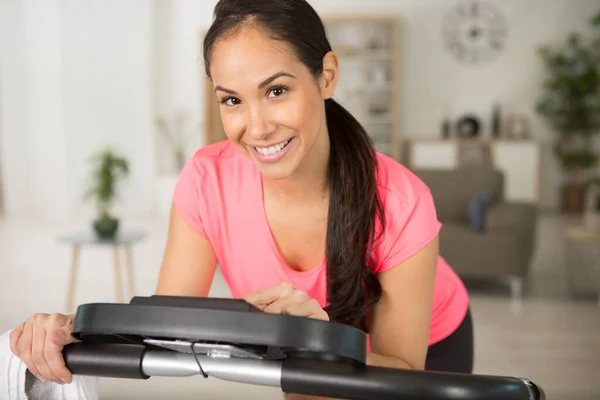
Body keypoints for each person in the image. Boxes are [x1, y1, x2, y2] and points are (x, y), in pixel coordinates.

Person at [6, 0, 473, 398]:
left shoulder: (402, 202)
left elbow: (403, 371)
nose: (258, 126)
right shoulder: (208, 181)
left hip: (424, 348)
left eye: (276, 90)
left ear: (326, 76)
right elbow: (167, 327)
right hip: (311, 348)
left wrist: (320, 339)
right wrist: (71, 329)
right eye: (232, 100)